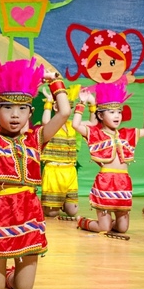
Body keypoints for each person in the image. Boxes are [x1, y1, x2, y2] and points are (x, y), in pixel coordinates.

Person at [0, 45, 71, 289]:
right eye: (7, 108)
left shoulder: (36, 138)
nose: (15, 115)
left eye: (22, 109)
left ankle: (7, 274)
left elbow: (64, 112)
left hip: (29, 212)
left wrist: (55, 81)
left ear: (31, 112)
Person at [72, 82, 144, 234]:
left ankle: (108, 222)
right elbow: (75, 125)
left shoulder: (128, 134)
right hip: (105, 182)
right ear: (100, 115)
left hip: (123, 182)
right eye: (112, 112)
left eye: (119, 112)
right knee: (104, 229)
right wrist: (82, 103)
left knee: (122, 228)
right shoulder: (95, 134)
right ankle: (84, 222)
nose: (117, 116)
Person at [39, 84, 86, 218]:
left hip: (69, 171)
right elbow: (45, 121)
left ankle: (64, 202)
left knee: (72, 212)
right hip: (53, 170)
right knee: (52, 213)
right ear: (56, 107)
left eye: (70, 107)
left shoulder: (72, 126)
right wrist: (49, 101)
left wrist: (85, 103)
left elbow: (93, 123)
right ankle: (49, 205)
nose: (68, 110)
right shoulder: (50, 126)